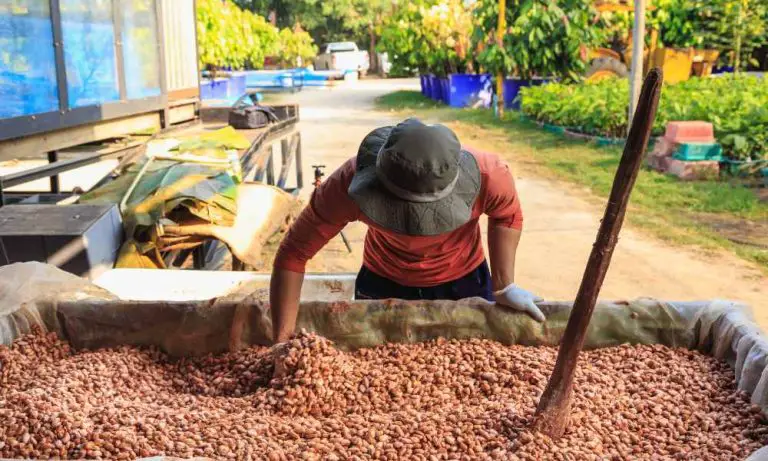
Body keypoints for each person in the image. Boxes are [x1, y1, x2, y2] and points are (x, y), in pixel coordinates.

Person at [269, 118, 544, 343]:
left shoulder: (490, 175)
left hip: (464, 278)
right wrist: (281, 341)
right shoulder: (346, 186)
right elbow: (294, 253)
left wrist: (504, 285)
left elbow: (507, 215)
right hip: (382, 279)